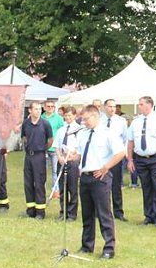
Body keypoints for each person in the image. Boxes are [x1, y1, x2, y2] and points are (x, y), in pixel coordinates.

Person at [75, 104, 125, 259]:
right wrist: (72, 157)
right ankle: (87, 245)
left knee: (104, 213)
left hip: (100, 177)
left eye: (86, 119)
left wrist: (106, 167)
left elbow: (120, 153)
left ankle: (109, 247)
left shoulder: (107, 133)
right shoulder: (83, 134)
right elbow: (80, 153)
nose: (84, 122)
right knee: (87, 213)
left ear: (95, 116)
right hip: (85, 176)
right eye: (83, 120)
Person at [127, 95, 156, 225]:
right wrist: (130, 159)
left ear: (149, 105)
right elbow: (130, 141)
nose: (139, 106)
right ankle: (149, 215)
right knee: (146, 187)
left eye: (141, 104)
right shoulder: (136, 121)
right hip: (140, 159)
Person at [21, 101, 53, 219]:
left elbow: (50, 140)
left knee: (39, 183)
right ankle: (30, 210)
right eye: (36, 109)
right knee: (28, 183)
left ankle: (40, 212)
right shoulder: (26, 123)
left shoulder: (45, 124)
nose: (38, 111)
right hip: (28, 156)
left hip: (39, 156)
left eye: (40, 109)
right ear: (30, 110)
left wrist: (42, 149)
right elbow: (24, 137)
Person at [101, 98, 128, 221]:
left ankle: (118, 212)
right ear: (104, 107)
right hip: (102, 157)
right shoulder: (99, 120)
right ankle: (102, 211)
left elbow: (125, 138)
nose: (112, 109)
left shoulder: (121, 121)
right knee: (101, 185)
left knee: (116, 185)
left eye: (114, 106)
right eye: (110, 106)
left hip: (116, 157)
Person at [54, 106, 82, 221]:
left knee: (73, 188)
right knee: (62, 188)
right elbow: (56, 145)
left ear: (75, 116)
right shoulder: (61, 130)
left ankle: (72, 214)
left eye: (70, 115)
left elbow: (79, 147)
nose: (68, 118)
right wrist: (59, 157)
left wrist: (71, 157)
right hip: (62, 161)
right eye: (66, 116)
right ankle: (63, 212)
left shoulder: (79, 130)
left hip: (72, 162)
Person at [41, 100, 64, 199]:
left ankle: (55, 190)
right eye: (48, 106)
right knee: (42, 171)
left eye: (52, 106)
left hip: (55, 148)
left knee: (55, 170)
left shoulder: (59, 118)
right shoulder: (40, 118)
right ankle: (41, 190)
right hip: (43, 148)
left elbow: (62, 132)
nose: (50, 108)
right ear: (44, 108)